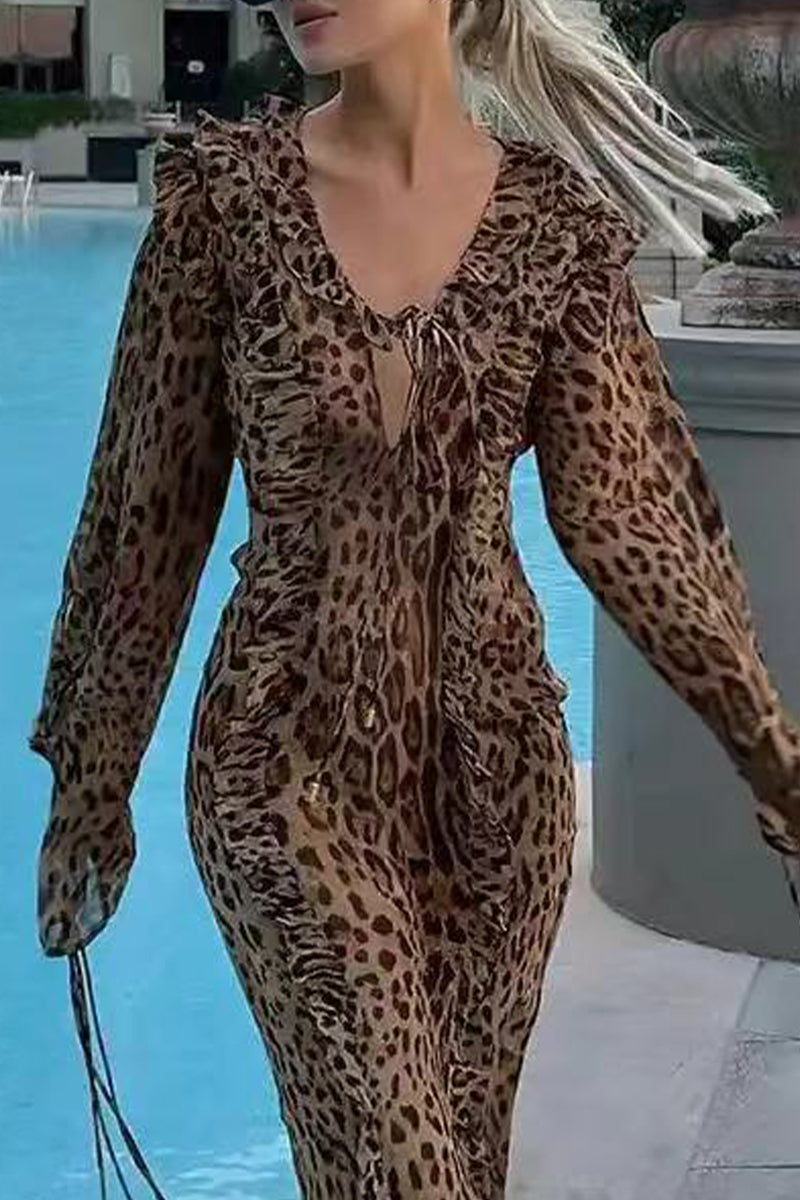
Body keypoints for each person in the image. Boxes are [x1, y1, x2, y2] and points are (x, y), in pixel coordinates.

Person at [29, 0, 800, 1197]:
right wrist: (92, 775)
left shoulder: (555, 230)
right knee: (404, 1171)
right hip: (281, 765)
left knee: (453, 1169)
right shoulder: (221, 207)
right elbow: (143, 514)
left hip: (500, 784)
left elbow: (631, 521)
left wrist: (772, 762)